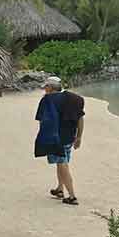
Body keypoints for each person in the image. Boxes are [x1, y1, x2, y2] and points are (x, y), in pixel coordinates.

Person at [34, 76, 85, 206]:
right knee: (62, 162)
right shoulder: (73, 99)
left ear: (50, 87)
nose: (45, 90)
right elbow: (80, 118)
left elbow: (42, 120)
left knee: (62, 164)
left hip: (55, 138)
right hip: (70, 137)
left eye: (45, 87)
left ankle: (72, 196)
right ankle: (60, 189)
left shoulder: (47, 100)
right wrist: (79, 137)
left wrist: (44, 140)